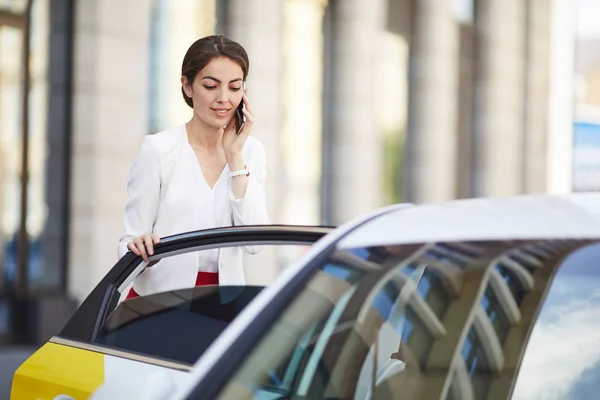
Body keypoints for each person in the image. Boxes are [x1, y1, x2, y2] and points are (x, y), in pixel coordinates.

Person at [117, 35, 270, 299]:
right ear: (187, 86)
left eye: (235, 88)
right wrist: (141, 248)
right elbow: (128, 243)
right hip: (158, 304)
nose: (224, 98)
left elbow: (255, 243)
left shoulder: (251, 152)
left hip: (224, 306)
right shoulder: (158, 150)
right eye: (211, 85)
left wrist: (235, 158)